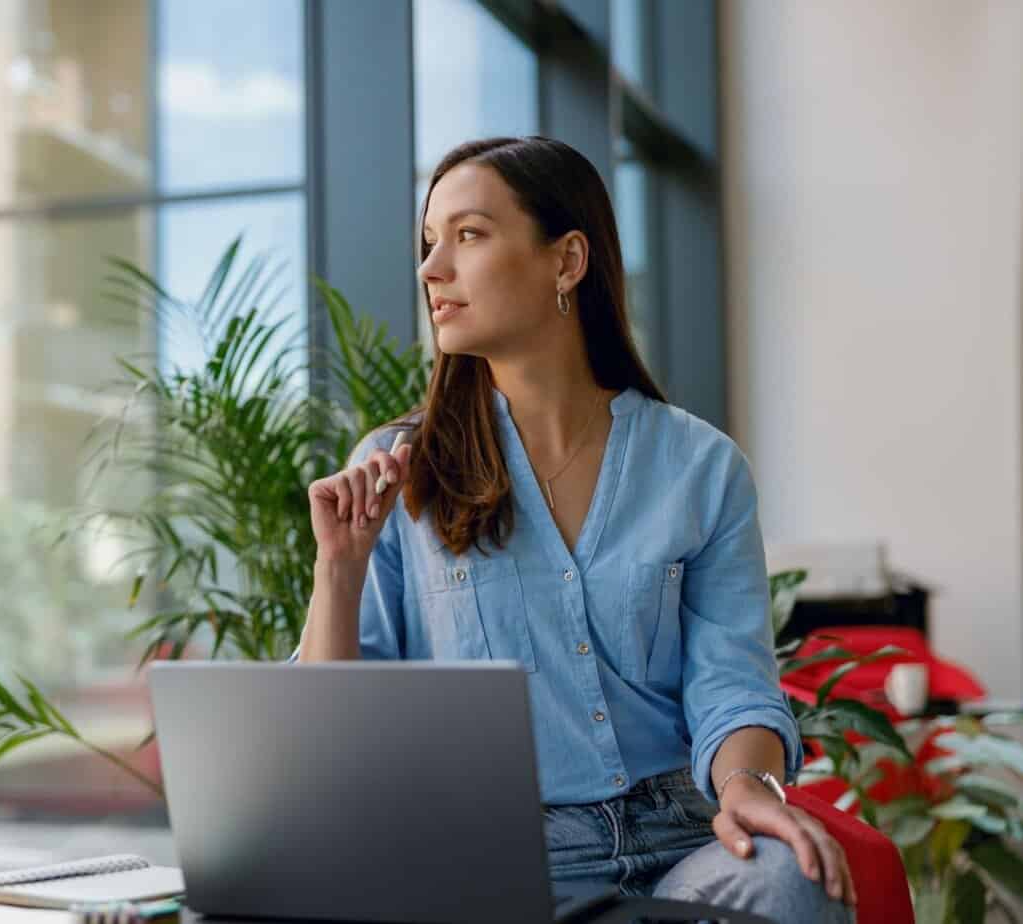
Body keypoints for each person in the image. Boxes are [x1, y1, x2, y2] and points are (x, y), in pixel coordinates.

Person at [292, 136, 855, 924]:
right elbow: (329, 741)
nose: (431, 269)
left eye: (468, 235)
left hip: (683, 838)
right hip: (495, 853)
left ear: (566, 260)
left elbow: (731, 683)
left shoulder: (698, 464)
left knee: (789, 882)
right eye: (428, 243)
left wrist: (749, 788)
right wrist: (339, 570)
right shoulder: (396, 469)